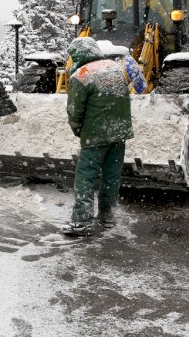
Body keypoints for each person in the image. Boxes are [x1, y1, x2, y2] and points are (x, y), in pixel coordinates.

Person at [61, 37, 133, 237]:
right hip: (119, 133)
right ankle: (107, 215)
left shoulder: (81, 75)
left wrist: (77, 130)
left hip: (95, 136)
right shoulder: (115, 68)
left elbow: (75, 111)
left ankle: (82, 221)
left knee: (85, 177)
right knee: (111, 175)